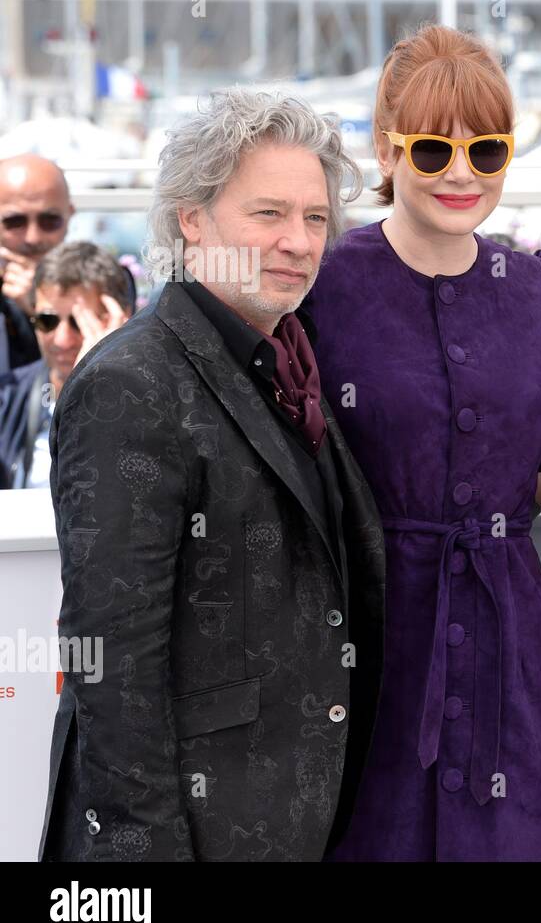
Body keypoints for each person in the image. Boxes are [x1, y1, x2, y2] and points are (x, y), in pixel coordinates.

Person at [39, 89, 387, 861]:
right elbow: (110, 662)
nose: (298, 241)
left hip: (288, 816)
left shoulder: (289, 364)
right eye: (268, 214)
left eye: (316, 218)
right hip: (183, 835)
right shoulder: (133, 382)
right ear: (192, 219)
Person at [303, 24, 541, 862]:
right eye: (433, 150)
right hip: (367, 646)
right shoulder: (322, 284)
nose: (462, 173)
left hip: (515, 660)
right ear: (388, 152)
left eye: (489, 149)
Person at [0, 241, 132, 490]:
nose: (62, 340)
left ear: (118, 317)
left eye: (78, 322)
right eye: (47, 320)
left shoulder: (150, 401)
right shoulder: (7, 397)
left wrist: (100, 379)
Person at [0, 154, 76, 375]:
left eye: (49, 221)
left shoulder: (99, 280)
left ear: (69, 215)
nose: (32, 238)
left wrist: (40, 307)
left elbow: (94, 378)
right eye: (15, 222)